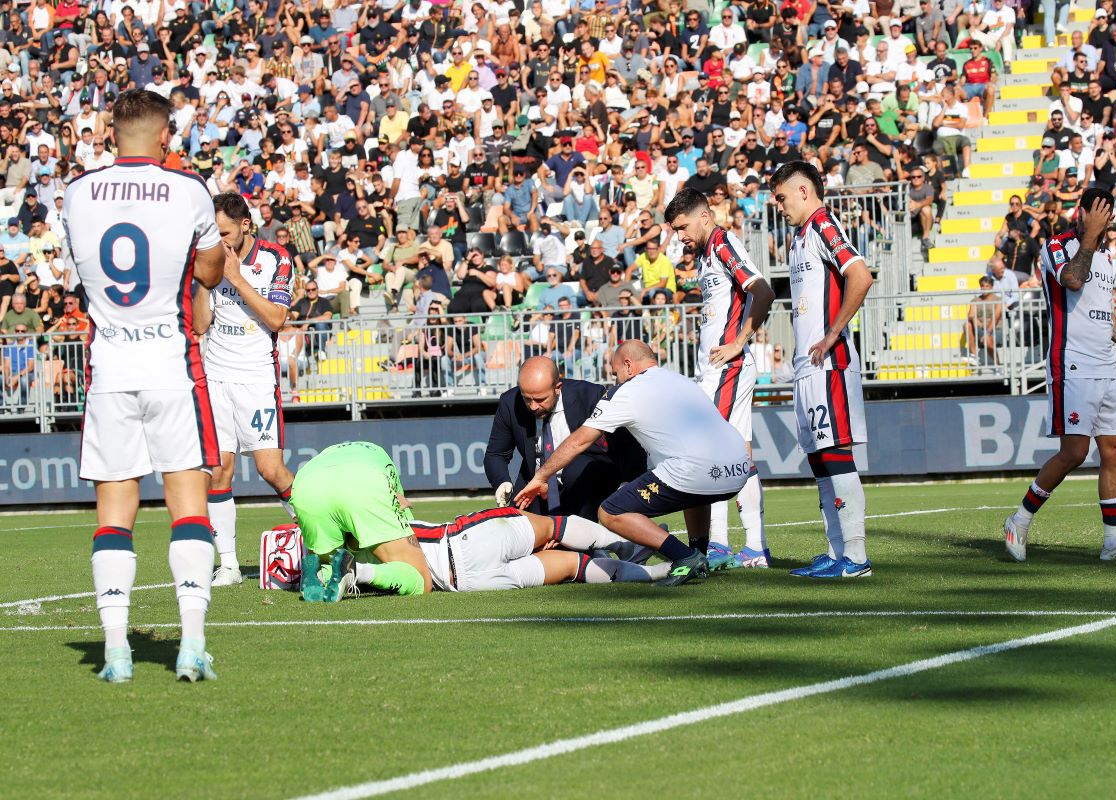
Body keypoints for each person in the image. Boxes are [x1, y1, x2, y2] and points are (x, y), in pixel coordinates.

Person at [63, 89, 226, 683]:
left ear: (112, 134)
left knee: (113, 514)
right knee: (189, 506)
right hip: (171, 365)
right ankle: (190, 644)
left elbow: (79, 274)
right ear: (165, 137)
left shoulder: (76, 194)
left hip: (110, 369)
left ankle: (115, 651)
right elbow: (209, 269)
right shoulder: (188, 192)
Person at [290, 441, 670, 603]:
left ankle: (655, 573)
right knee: (556, 528)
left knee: (573, 566)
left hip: (469, 583)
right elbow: (397, 502)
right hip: (472, 539)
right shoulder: (380, 493)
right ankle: (635, 551)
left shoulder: (358, 535)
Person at [513, 341, 753, 586]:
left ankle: (685, 557)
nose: (616, 379)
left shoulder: (626, 391)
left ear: (628, 365)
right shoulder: (680, 380)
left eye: (616, 372)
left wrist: (541, 477)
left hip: (697, 471)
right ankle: (698, 552)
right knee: (693, 486)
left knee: (610, 512)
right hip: (739, 470)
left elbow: (578, 441)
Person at [1003, 190, 1116, 563]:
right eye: (1100, 216)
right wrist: (1089, 235)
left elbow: (1104, 312)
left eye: (1109, 218)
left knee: (1115, 450)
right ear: (1084, 214)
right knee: (1074, 451)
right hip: (1072, 362)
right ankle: (1019, 520)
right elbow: (1073, 279)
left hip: (1105, 364)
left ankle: (1114, 543)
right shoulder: (1057, 246)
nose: (1107, 224)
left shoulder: (1105, 257)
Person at [769, 161, 875, 579]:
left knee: (835, 454)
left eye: (781, 197)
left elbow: (861, 276)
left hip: (829, 364)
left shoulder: (824, 226)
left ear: (804, 192)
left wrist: (833, 333)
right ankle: (835, 552)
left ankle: (856, 557)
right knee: (819, 459)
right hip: (807, 366)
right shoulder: (799, 238)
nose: (779, 206)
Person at [663, 188, 776, 570]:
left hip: (725, 368)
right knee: (738, 456)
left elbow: (762, 290)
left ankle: (721, 545)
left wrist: (738, 343)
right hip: (717, 369)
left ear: (704, 217)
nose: (679, 236)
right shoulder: (706, 255)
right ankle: (753, 547)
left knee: (707, 452)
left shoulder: (724, 243)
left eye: (682, 227)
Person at [192, 193, 297, 587]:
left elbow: (276, 319)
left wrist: (236, 278)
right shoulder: (210, 259)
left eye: (225, 234)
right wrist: (207, 281)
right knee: (219, 471)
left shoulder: (275, 259)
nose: (219, 242)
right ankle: (230, 564)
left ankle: (320, 539)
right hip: (216, 376)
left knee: (271, 470)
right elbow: (201, 325)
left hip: (256, 378)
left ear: (246, 226)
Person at [484, 356, 644, 519]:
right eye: (527, 398)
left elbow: (628, 444)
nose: (533, 406)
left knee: (576, 471)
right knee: (518, 528)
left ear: (557, 387)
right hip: (536, 480)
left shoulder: (590, 395)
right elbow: (495, 454)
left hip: (590, 478)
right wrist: (501, 481)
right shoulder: (510, 402)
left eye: (540, 400)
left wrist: (629, 486)